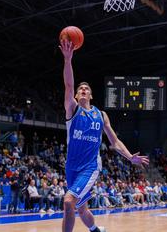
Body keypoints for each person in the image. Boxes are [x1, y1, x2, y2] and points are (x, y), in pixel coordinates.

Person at [60, 39, 149, 232]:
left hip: (90, 167)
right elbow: (68, 85)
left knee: (68, 202)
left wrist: (130, 157)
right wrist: (68, 60)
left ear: (91, 95)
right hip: (71, 167)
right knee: (81, 208)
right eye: (80, 89)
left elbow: (115, 142)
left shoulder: (100, 115)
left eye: (86, 89)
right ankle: (96, 230)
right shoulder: (72, 110)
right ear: (75, 96)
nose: (82, 90)